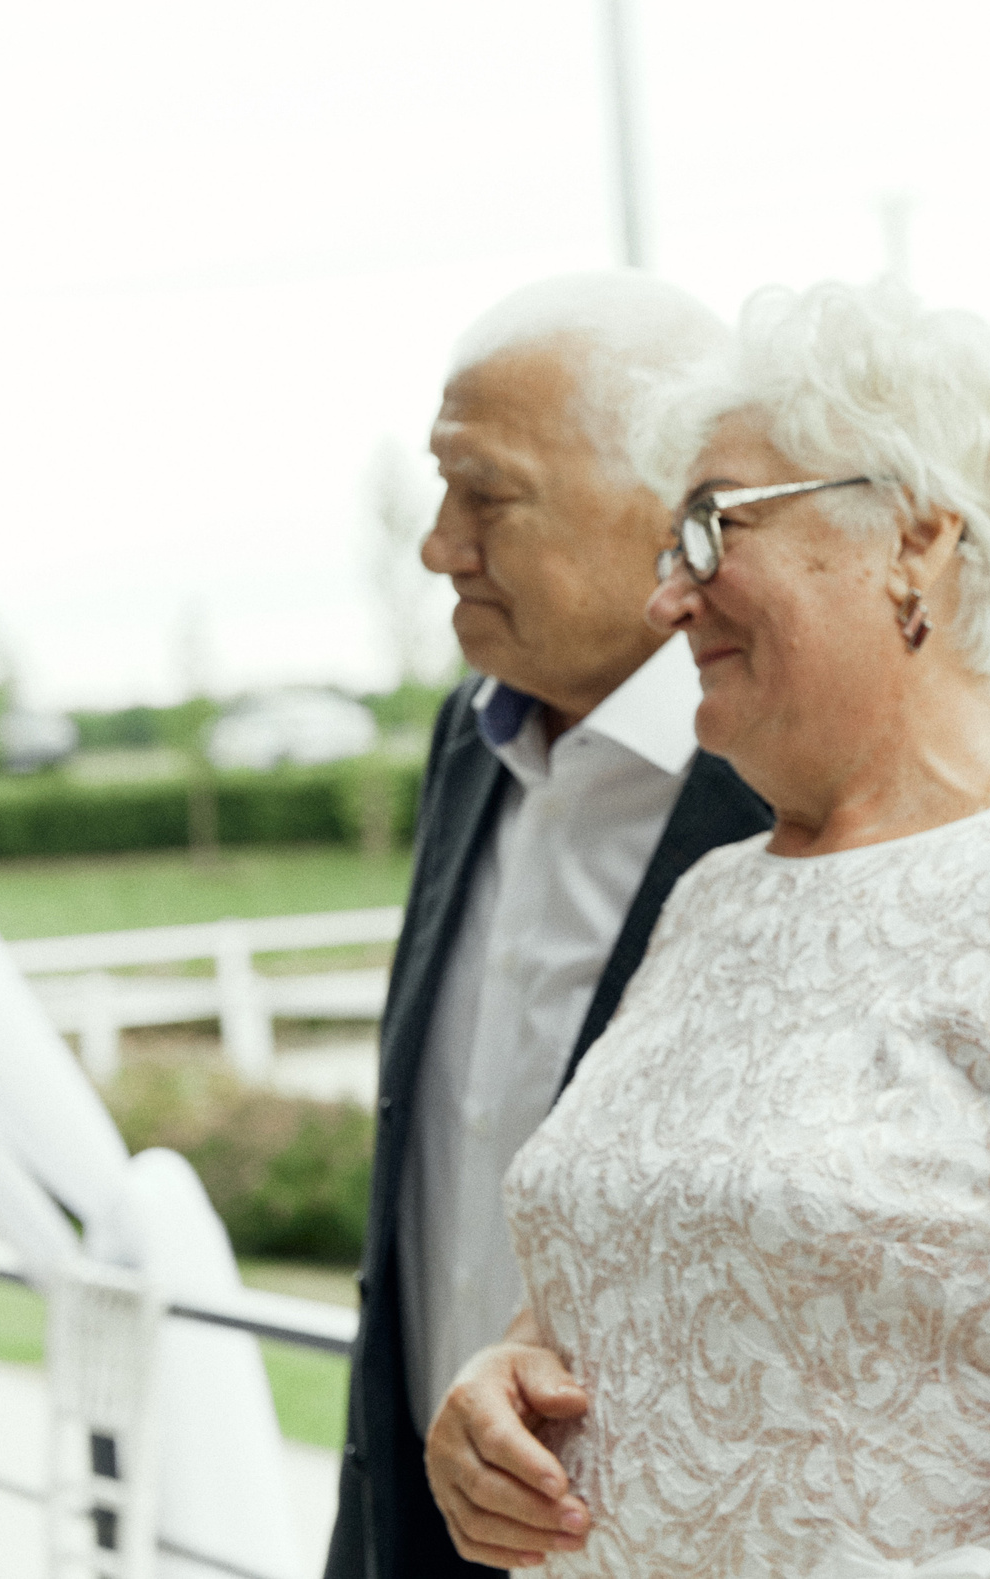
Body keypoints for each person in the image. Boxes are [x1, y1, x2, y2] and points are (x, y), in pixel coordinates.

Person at [420, 280, 990, 1579]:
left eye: (709, 529)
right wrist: (499, 1384)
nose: (666, 599)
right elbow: (636, 1271)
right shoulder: (715, 899)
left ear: (916, 537)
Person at [329, 272, 770, 1579]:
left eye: (487, 497)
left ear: (667, 507)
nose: (437, 546)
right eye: (438, 491)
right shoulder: (463, 746)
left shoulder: (781, 782)